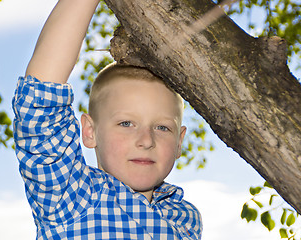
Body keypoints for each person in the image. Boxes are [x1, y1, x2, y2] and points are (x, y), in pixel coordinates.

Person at [12, 0, 202, 239]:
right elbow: (40, 103)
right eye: (126, 123)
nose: (146, 140)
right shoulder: (73, 197)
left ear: (179, 142)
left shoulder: (184, 218)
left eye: (162, 127)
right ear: (90, 132)